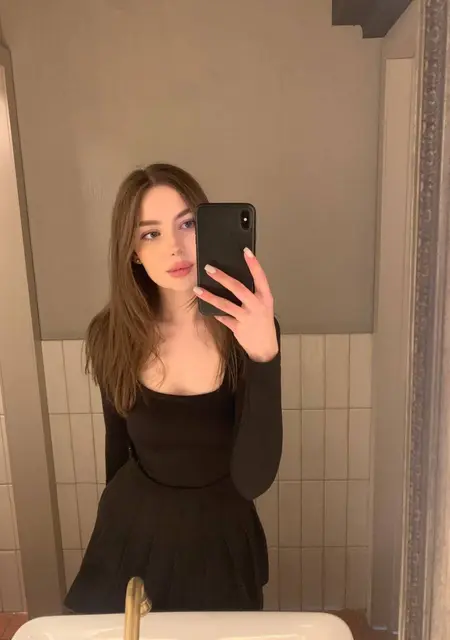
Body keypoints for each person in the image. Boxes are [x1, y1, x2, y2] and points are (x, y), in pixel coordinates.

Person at [64, 163, 283, 614]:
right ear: (132, 252)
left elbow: (254, 479)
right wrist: (114, 533)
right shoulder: (111, 334)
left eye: (187, 224)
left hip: (221, 534)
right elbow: (116, 450)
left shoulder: (250, 331)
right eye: (151, 233)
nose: (175, 247)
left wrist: (265, 357)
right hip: (132, 528)